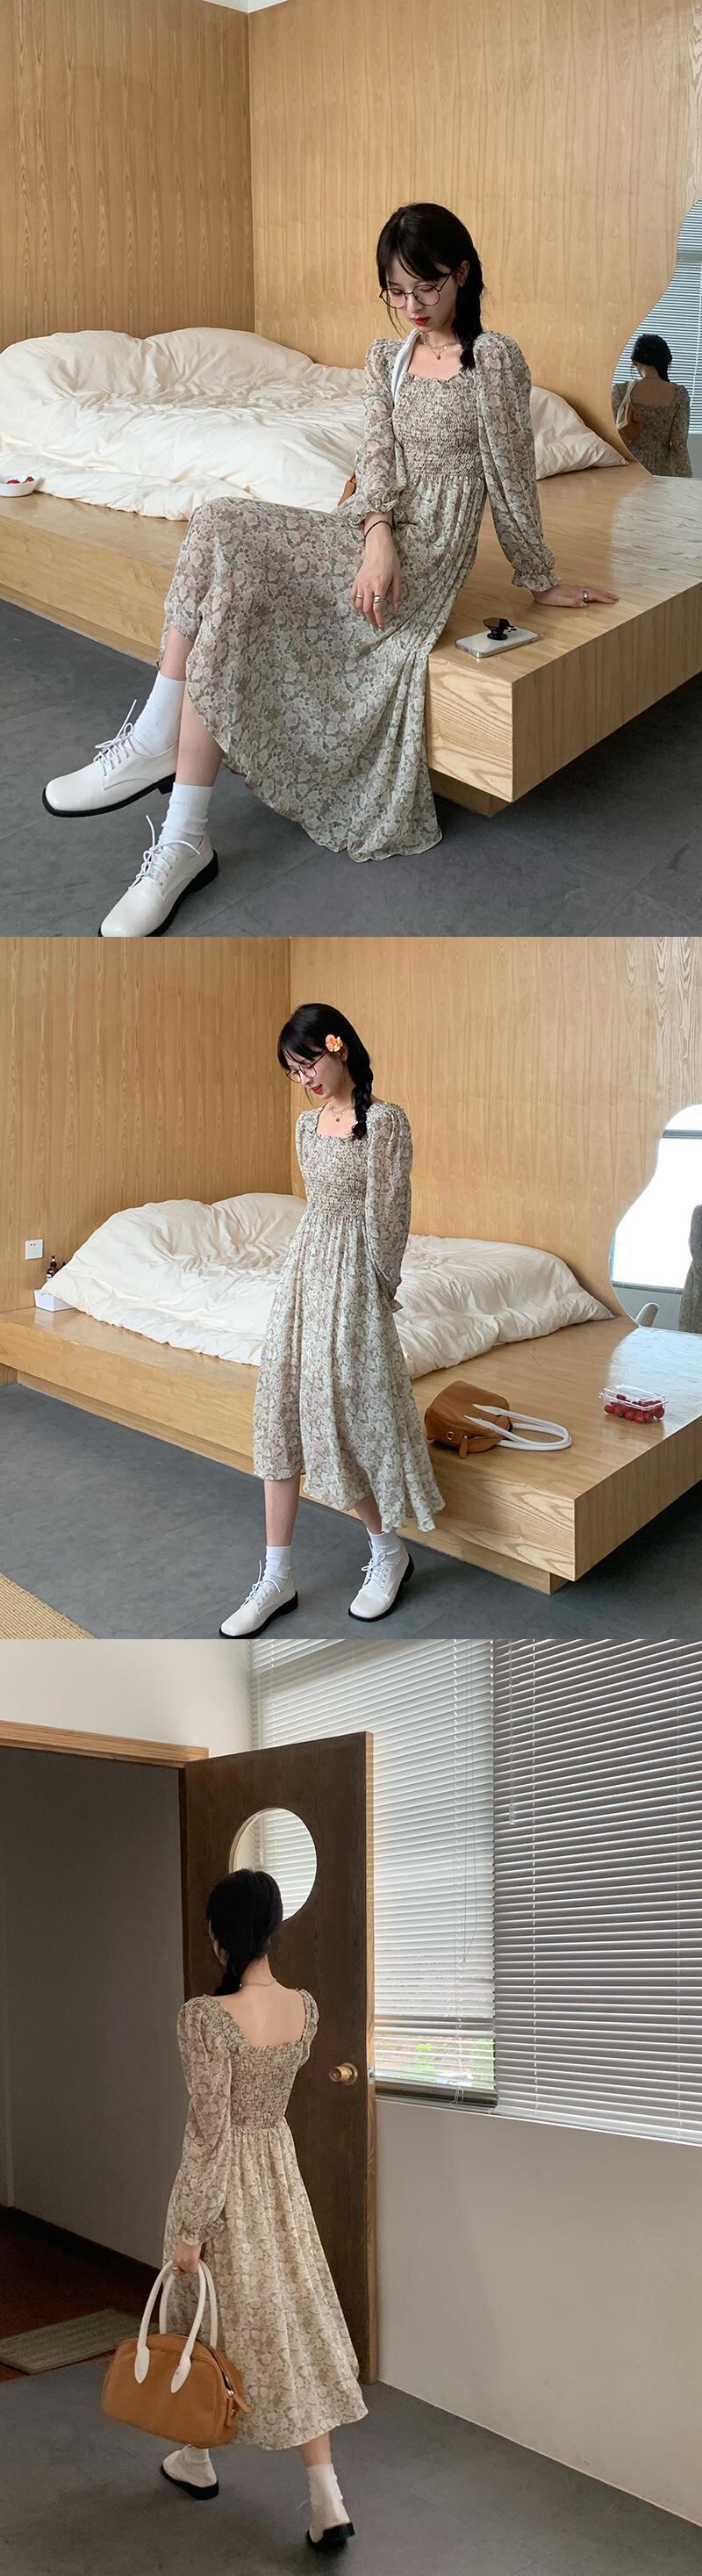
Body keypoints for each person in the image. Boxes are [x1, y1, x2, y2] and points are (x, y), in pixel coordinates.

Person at [43, 200, 617, 934]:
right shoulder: (388, 359)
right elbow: (375, 459)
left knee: (230, 561)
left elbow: (510, 474)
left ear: (463, 273)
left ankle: (171, 788)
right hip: (371, 531)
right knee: (219, 524)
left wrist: (540, 577)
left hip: (429, 553)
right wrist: (376, 534)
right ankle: (179, 817)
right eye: (396, 292)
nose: (412, 306)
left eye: (428, 287)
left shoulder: (493, 359)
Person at [219, 1004, 444, 1637]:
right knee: (280, 1409)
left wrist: (377, 1288)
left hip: (356, 1274)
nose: (305, 1079)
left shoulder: (385, 1121)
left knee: (345, 1410)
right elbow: (317, 1205)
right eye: (294, 1072)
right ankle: (276, 1576)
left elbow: (390, 1212)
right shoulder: (305, 1124)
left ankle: (389, 1553)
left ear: (337, 1047)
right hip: (305, 1270)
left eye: (308, 1063)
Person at [161, 1867, 365, 2552]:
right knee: (291, 2322)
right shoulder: (304, 2007)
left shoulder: (203, 2017)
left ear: (219, 1934)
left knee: (206, 2319)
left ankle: (197, 2456)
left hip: (226, 2185)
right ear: (273, 1929)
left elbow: (211, 2132)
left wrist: (191, 2227)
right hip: (280, 2177)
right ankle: (324, 2495)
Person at [612, 335, 692, 478]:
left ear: (634, 361)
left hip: (629, 469)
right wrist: (685, 479)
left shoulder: (620, 391)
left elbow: (613, 436)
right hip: (662, 472)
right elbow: (679, 443)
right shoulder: (680, 394)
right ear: (666, 360)